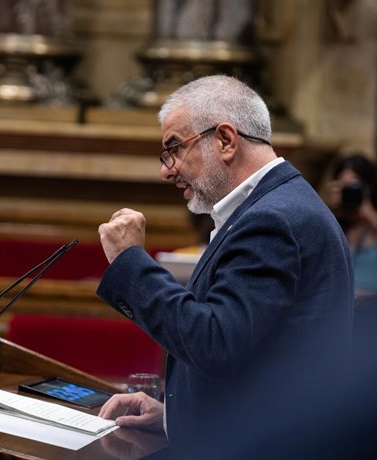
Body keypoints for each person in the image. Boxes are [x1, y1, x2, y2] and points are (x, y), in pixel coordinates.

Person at [95, 75, 354, 458]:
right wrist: (175, 419)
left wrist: (130, 261)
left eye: (174, 148)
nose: (166, 171)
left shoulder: (273, 220)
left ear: (226, 141)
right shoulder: (277, 205)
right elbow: (253, 358)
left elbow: (214, 343)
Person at [323, 153, 377, 301]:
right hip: (338, 311)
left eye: (354, 187)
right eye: (344, 189)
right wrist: (326, 209)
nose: (350, 193)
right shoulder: (331, 223)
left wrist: (372, 218)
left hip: (375, 311)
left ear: (369, 188)